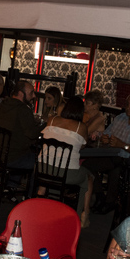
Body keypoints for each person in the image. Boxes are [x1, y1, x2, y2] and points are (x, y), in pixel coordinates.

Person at [86, 92, 130, 214]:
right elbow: (106, 134)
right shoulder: (120, 118)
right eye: (127, 104)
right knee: (88, 164)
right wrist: (104, 138)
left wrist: (122, 145)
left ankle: (110, 202)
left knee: (117, 170)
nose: (128, 107)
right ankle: (100, 195)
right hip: (112, 156)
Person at [38, 96, 92, 227]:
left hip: (41, 168)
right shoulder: (81, 127)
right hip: (65, 173)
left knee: (55, 170)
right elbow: (82, 145)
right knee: (89, 177)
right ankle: (83, 215)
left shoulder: (52, 120)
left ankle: (44, 204)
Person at [0, 80, 43, 169]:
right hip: (12, 158)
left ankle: (11, 177)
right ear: (20, 94)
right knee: (42, 163)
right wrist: (46, 125)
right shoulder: (23, 109)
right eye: (31, 93)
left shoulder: (2, 105)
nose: (34, 96)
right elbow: (32, 134)